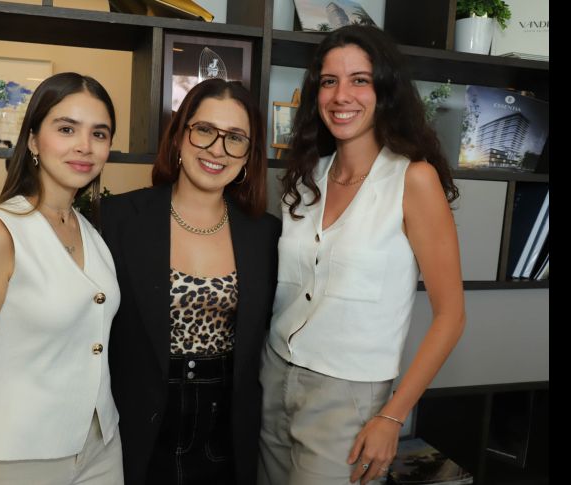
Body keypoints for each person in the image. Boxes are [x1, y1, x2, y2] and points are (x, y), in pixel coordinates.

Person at [258, 25, 466, 485]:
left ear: (384, 90)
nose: (341, 95)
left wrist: (391, 416)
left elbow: (451, 316)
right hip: (273, 374)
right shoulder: (305, 177)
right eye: (329, 81)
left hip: (348, 396)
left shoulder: (413, 180)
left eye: (360, 80)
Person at [0, 72, 124, 485]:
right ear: (32, 141)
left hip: (101, 449)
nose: (84, 146)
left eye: (99, 133)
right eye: (66, 129)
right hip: (19, 458)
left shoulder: (90, 232)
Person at [101, 78, 281, 485]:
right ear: (180, 136)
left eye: (235, 138)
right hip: (139, 419)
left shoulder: (267, 235)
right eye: (204, 130)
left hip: (226, 425)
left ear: (249, 155)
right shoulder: (116, 219)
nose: (217, 149)